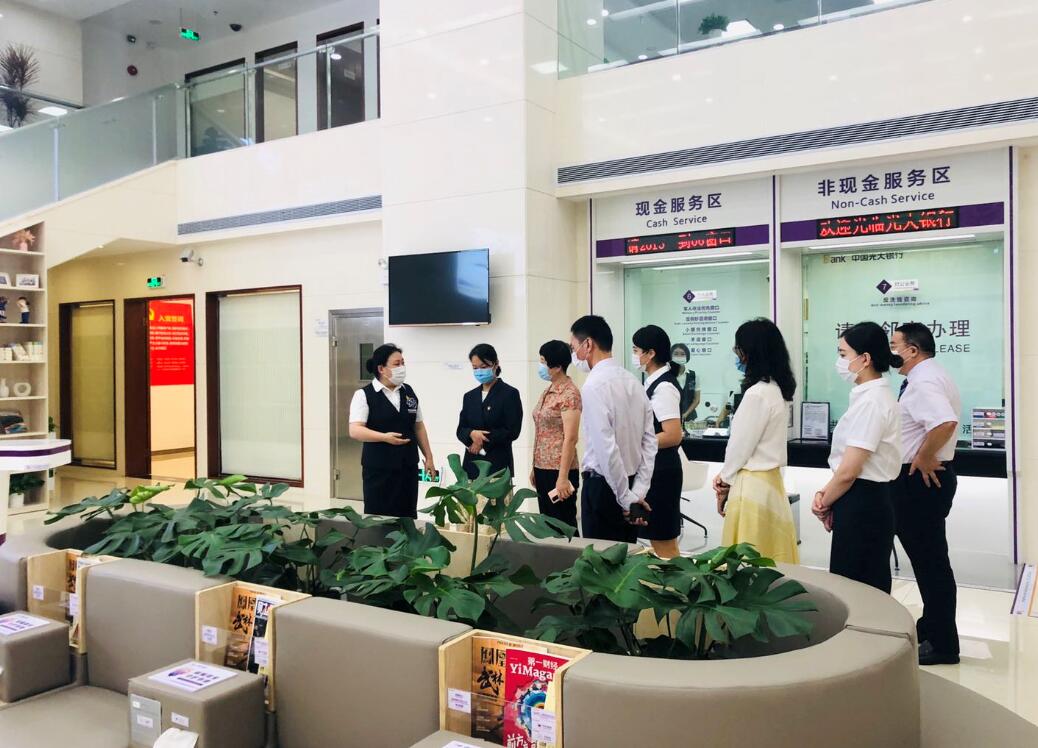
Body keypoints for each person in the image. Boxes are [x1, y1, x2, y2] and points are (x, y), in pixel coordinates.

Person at [812, 322, 902, 593]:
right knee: (857, 582)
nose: (839, 362)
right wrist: (828, 495)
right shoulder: (868, 397)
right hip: (858, 497)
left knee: (858, 589)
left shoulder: (872, 401)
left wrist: (824, 501)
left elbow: (849, 470)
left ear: (865, 359)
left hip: (863, 501)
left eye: (843, 354)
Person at [891, 322, 962, 665]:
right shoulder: (928, 375)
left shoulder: (924, 381)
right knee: (930, 561)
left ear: (912, 350)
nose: (891, 352)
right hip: (924, 480)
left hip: (921, 481)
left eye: (895, 345)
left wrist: (923, 456)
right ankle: (932, 628)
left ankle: (943, 643)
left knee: (931, 564)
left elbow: (945, 422)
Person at [712, 319, 799, 564]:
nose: (736, 355)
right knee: (773, 556)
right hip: (771, 484)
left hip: (751, 485)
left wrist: (724, 479)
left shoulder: (757, 394)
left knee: (749, 559)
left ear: (749, 352)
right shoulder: (777, 390)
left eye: (738, 349)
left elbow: (740, 447)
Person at [570, 315, 656, 543]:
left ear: (588, 344)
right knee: (625, 556)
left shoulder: (593, 386)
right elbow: (650, 442)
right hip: (632, 484)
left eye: (573, 347)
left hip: (604, 489)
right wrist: (638, 492)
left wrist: (625, 497)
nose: (574, 355)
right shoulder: (633, 381)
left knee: (600, 559)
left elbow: (606, 449)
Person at [348, 344, 436, 518]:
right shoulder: (364, 395)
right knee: (379, 518)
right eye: (397, 364)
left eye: (403, 363)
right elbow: (355, 430)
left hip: (408, 466)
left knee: (407, 515)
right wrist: (384, 437)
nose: (402, 367)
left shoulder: (408, 391)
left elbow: (418, 426)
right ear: (381, 368)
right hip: (379, 468)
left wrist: (429, 457)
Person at [632, 325, 684, 558]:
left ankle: (677, 580)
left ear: (651, 353)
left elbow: (672, 434)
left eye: (636, 350)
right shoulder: (652, 382)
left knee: (663, 540)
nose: (634, 355)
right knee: (656, 538)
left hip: (663, 471)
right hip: (654, 468)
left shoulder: (664, 387)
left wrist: (637, 443)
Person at [531, 340, 582, 532]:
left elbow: (571, 438)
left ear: (558, 366)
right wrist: (534, 467)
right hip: (542, 467)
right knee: (548, 526)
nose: (541, 366)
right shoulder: (548, 391)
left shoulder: (569, 394)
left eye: (543, 362)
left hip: (560, 469)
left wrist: (562, 477)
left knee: (563, 524)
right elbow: (541, 430)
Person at [457, 343, 523, 480]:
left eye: (483, 367)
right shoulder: (469, 396)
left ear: (495, 364)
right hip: (471, 466)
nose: (479, 371)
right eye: (475, 368)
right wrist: (471, 434)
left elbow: (512, 430)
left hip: (497, 466)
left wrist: (481, 440)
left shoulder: (509, 394)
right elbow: (461, 429)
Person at [671, 343, 701, 427]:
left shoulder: (693, 375)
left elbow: (697, 400)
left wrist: (685, 414)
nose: (679, 356)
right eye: (676, 354)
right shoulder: (667, 375)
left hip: (690, 418)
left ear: (687, 356)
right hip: (671, 418)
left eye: (682, 354)